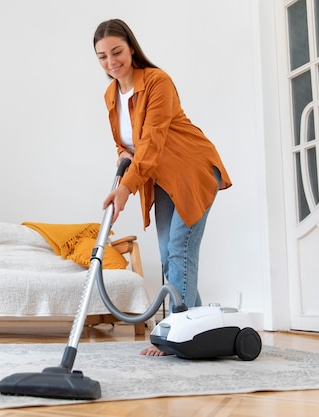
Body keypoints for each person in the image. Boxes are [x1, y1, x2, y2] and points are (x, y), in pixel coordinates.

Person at [93, 19, 232, 356]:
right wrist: (123, 155)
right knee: (171, 257)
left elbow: (151, 143)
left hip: (191, 169)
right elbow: (127, 142)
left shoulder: (157, 82)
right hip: (160, 179)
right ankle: (202, 329)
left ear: (131, 49)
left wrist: (125, 189)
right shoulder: (111, 94)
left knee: (179, 251)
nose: (111, 62)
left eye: (117, 52)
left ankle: (176, 334)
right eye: (102, 56)